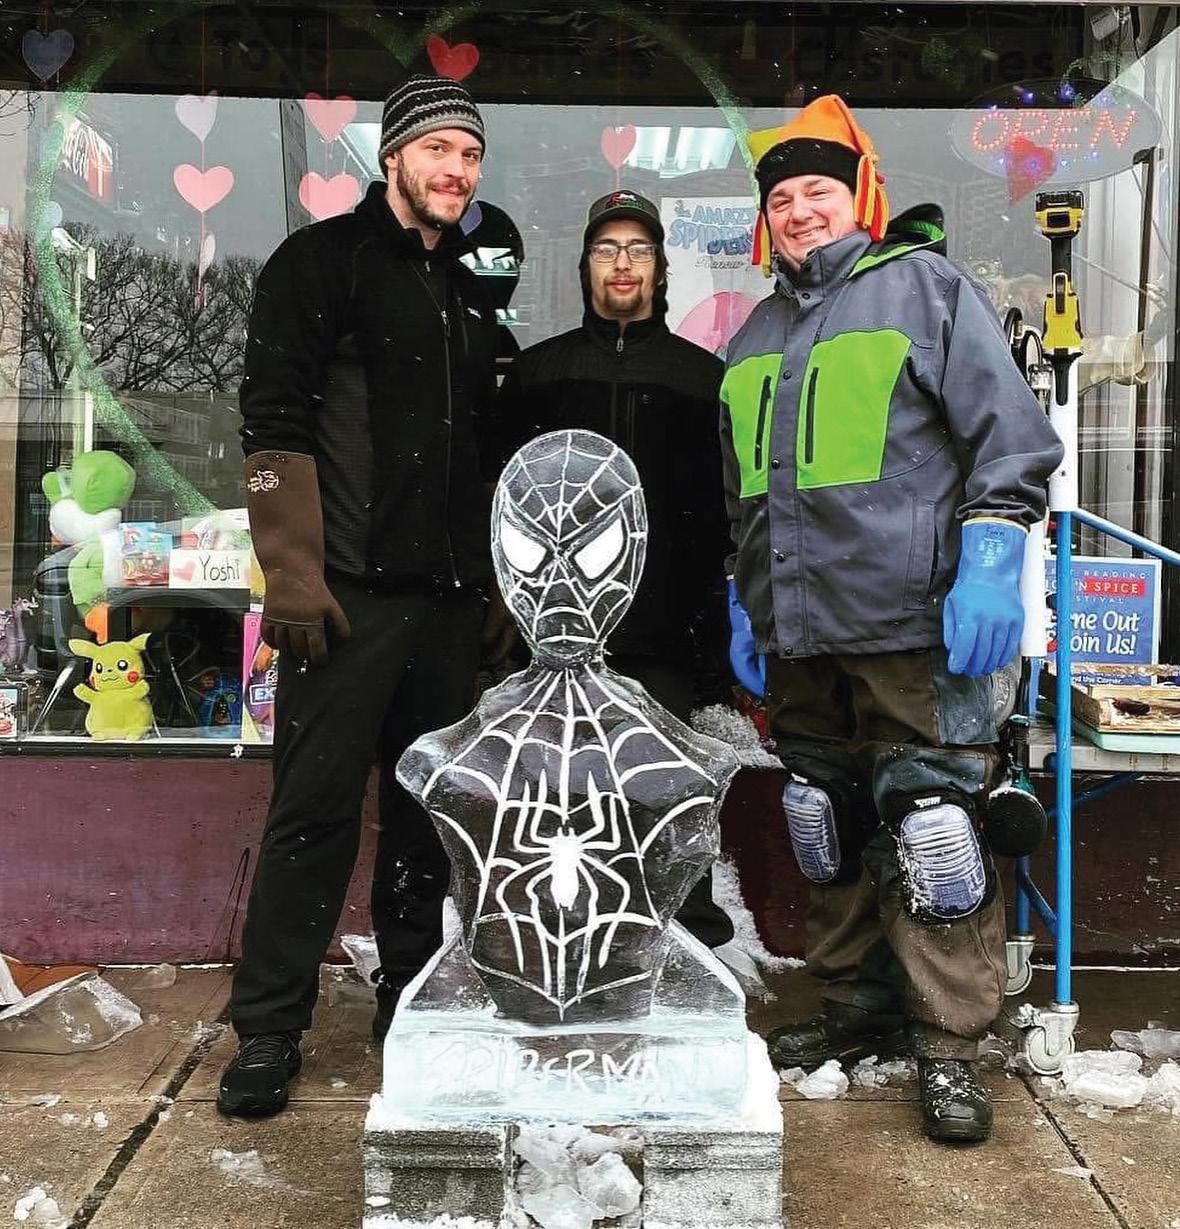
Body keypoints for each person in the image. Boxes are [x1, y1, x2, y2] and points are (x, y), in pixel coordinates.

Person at [721, 95, 1064, 1143]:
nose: (799, 211)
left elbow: (1009, 439)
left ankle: (950, 1042)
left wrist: (993, 559)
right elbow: (742, 490)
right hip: (800, 630)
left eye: (817, 191)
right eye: (782, 198)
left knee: (935, 830)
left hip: (915, 629)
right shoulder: (755, 332)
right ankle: (858, 1003)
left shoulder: (927, 290)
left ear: (858, 197)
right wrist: (742, 598)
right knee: (826, 823)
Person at [218, 74, 501, 1118]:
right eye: (437, 150)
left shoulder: (466, 293)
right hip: (343, 602)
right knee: (314, 813)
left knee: (428, 816)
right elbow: (273, 418)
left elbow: (476, 453)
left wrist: (490, 585)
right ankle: (269, 1027)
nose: (455, 170)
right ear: (392, 158)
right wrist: (293, 574)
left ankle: (411, 995)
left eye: (469, 155)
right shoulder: (319, 262)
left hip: (445, 607)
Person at [496, 189, 735, 950]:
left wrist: (714, 633)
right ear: (585, 267)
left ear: (660, 268)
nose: (622, 263)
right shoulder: (538, 373)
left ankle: (684, 945)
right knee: (556, 797)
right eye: (607, 249)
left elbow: (721, 514)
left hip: (665, 632)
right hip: (551, 634)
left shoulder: (704, 377)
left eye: (638, 249)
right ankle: (557, 940)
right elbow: (502, 504)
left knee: (664, 794)